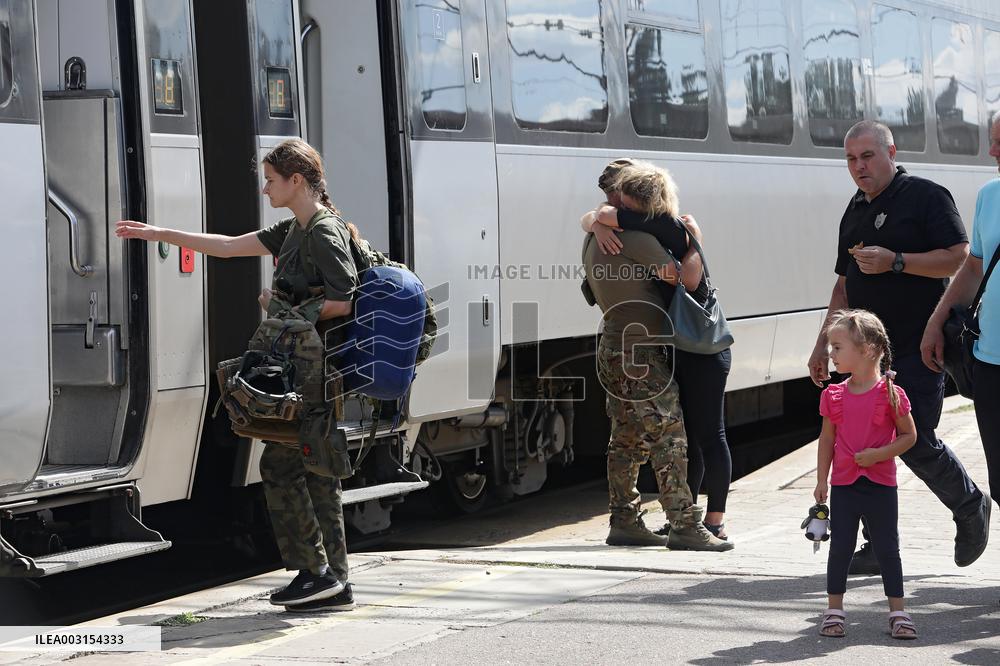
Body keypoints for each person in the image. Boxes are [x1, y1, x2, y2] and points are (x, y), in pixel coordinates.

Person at [116, 138, 357, 611]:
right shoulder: (295, 229)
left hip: (315, 369)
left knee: (291, 465)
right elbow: (227, 247)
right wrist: (157, 232)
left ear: (296, 181)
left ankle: (320, 574)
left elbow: (346, 298)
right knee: (314, 468)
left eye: (271, 181)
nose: (265, 189)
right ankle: (331, 579)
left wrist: (280, 305)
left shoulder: (324, 232)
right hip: (304, 366)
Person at [807, 120, 990, 573]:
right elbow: (843, 285)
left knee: (911, 439)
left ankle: (970, 505)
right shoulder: (854, 209)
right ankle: (875, 543)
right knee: (865, 440)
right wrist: (820, 345)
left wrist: (897, 262)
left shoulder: (926, 196)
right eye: (850, 159)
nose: (858, 167)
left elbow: (960, 258)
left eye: (867, 156)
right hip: (867, 355)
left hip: (918, 345)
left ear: (891, 151)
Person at [581, 161, 732, 552]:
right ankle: (684, 524)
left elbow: (593, 220)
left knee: (627, 437)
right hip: (642, 348)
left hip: (611, 342)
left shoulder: (592, 237)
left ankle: (624, 520)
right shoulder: (634, 237)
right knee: (669, 434)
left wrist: (596, 221)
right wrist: (695, 242)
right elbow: (686, 279)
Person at [814, 309, 917, 639]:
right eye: (831, 347)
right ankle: (834, 609)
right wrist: (820, 481)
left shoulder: (891, 394)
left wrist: (878, 455)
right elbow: (827, 439)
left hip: (881, 485)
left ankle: (898, 612)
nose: (831, 353)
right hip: (843, 485)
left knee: (888, 547)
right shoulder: (833, 395)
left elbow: (909, 436)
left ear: (868, 350)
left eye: (838, 347)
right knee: (840, 547)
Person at [921, 114, 1000, 506]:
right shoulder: (990, 195)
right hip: (990, 363)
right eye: (992, 140)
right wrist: (938, 322)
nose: (993, 151)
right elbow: (974, 266)